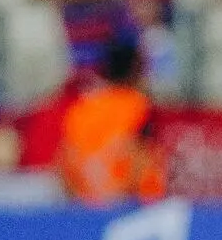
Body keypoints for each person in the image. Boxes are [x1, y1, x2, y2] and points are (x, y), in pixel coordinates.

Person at [58, 37, 164, 206]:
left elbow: (64, 159)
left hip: (84, 203)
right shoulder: (138, 106)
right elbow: (138, 154)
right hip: (128, 204)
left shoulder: (81, 107)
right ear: (136, 70)